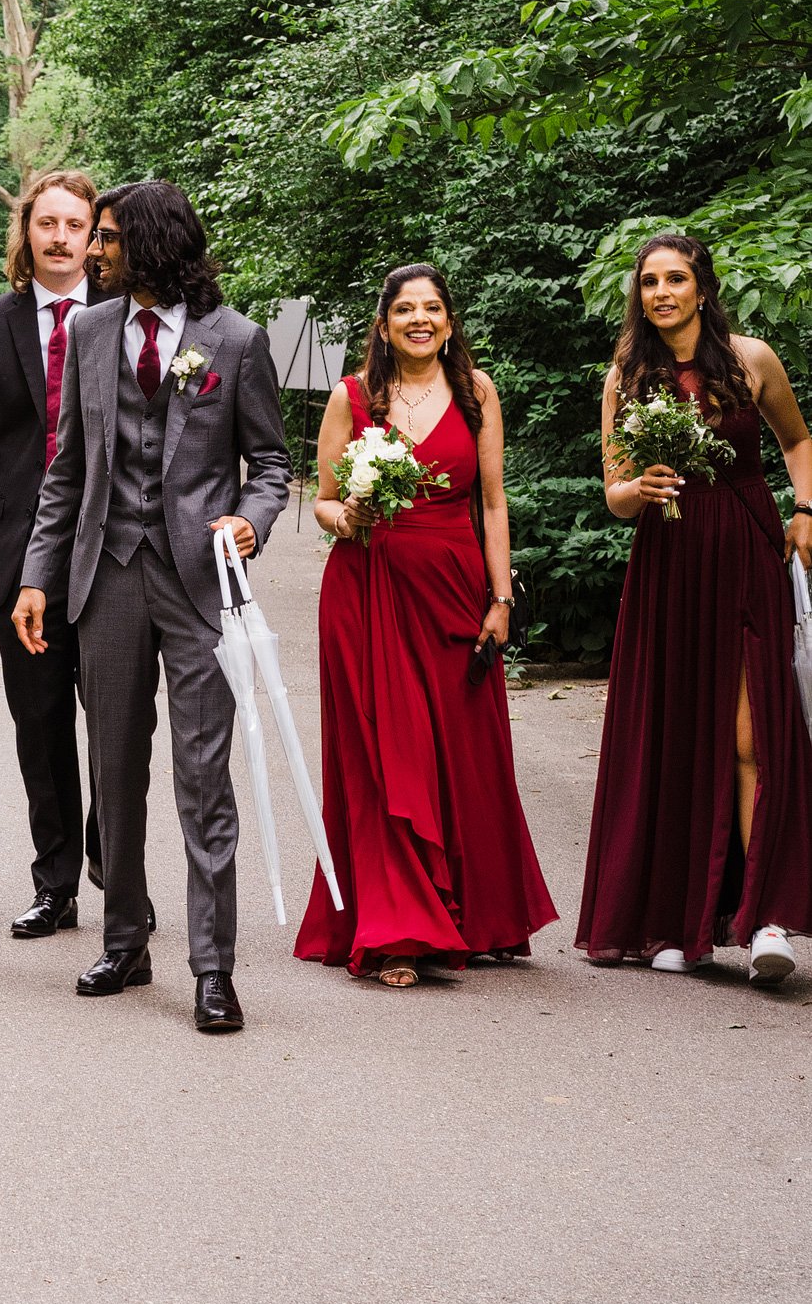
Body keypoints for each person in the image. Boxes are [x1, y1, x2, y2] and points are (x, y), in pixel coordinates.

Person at [14, 180, 291, 1034]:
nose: (92, 250)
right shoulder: (92, 331)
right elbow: (67, 469)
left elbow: (270, 466)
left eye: (106, 237)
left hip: (199, 583)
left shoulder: (235, 340)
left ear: (153, 243)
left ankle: (213, 970)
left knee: (203, 779)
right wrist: (37, 576)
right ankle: (124, 941)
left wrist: (249, 522)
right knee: (115, 772)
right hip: (107, 579)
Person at [295, 264, 557, 987]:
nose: (420, 319)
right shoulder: (352, 397)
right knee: (386, 756)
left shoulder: (477, 393)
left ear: (448, 321)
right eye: (405, 309)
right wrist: (348, 516)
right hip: (367, 591)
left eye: (433, 308)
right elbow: (322, 500)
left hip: (454, 590)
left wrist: (501, 599)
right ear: (383, 325)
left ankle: (474, 915)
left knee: (462, 751)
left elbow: (493, 503)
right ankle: (399, 930)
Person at [576, 233, 812, 980]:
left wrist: (805, 509)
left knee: (750, 733)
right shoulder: (625, 376)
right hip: (670, 562)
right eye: (650, 282)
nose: (663, 293)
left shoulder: (751, 359)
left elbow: (798, 442)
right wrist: (636, 489)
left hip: (744, 550)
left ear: (703, 288)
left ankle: (765, 918)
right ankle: (677, 920)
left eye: (676, 279)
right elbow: (614, 494)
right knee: (674, 732)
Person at [0, 169, 109, 939]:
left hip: (111, 555)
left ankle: (114, 858)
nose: (61, 238)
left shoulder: (125, 315)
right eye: (48, 223)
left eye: (76, 225)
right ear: (27, 232)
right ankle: (55, 884)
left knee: (116, 723)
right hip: (18, 560)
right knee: (40, 728)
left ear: (94, 236)